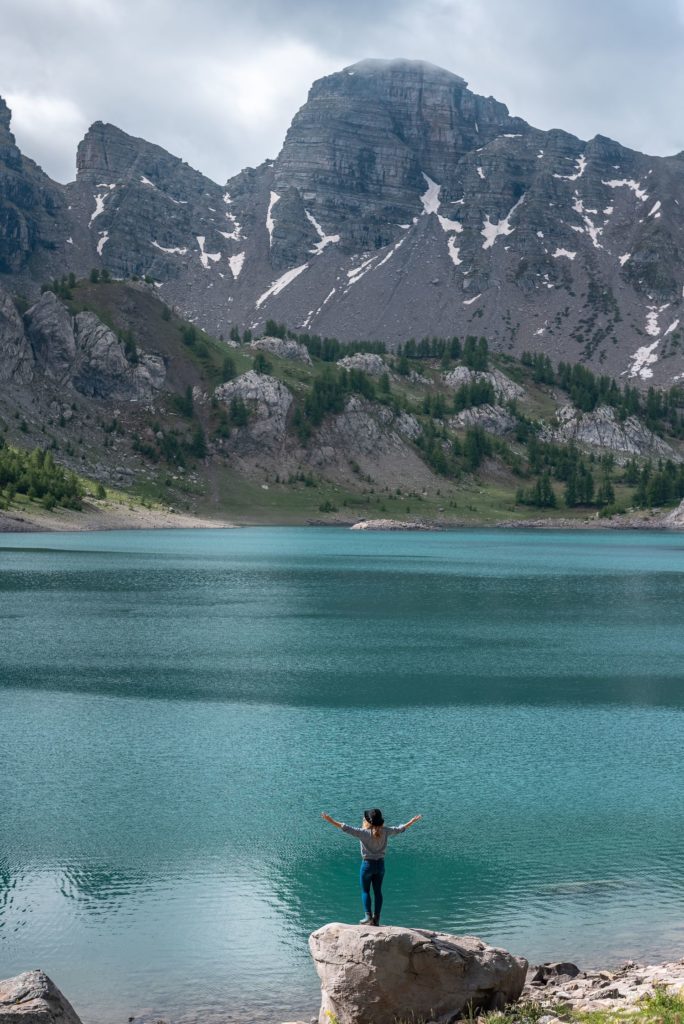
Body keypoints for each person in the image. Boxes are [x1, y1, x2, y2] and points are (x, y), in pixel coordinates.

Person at [321, 807, 422, 925]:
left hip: (367, 865)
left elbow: (345, 828)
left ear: (367, 821)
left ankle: (368, 918)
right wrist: (412, 821)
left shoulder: (362, 833)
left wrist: (330, 820)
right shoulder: (386, 831)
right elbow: (400, 829)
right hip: (380, 865)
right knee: (378, 891)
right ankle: (376, 919)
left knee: (365, 891)